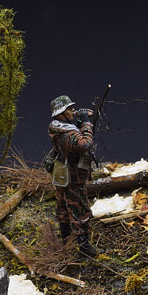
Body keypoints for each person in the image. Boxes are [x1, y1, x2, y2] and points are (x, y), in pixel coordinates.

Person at [48, 95, 100, 256]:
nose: (72, 111)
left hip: (62, 172)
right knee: (80, 209)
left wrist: (79, 119)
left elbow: (74, 133)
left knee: (63, 206)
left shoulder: (58, 128)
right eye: (69, 109)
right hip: (73, 176)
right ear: (61, 114)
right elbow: (86, 144)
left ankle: (66, 240)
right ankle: (84, 247)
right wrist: (86, 123)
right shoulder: (67, 134)